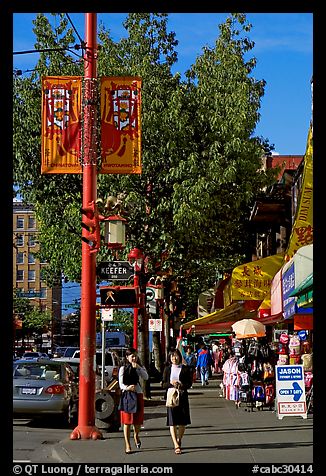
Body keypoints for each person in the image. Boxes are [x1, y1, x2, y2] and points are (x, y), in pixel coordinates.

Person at [162, 348, 192, 455]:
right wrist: (171, 384)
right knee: (172, 421)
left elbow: (189, 383)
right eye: (172, 356)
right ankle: (175, 444)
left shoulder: (185, 369)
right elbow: (163, 384)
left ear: (179, 356)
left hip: (182, 395)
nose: (174, 358)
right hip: (171, 396)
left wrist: (181, 384)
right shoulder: (167, 369)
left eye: (176, 356)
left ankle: (179, 438)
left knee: (182, 421)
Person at [118, 347, 149, 454]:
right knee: (127, 421)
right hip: (127, 395)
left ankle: (136, 435)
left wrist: (139, 367)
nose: (134, 358)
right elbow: (121, 384)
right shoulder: (123, 368)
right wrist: (127, 388)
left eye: (136, 356)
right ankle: (127, 444)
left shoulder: (139, 367)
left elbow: (146, 377)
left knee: (137, 421)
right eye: (132, 356)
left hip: (138, 394)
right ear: (127, 357)